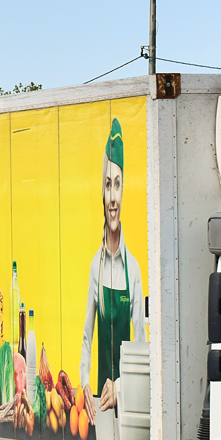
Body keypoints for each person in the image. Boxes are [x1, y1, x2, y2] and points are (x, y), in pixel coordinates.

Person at [80, 118, 146, 424]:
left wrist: (120, 386)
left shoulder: (133, 268)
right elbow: (87, 337)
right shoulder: (96, 264)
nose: (113, 197)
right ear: (101, 193)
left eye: (117, 184)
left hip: (127, 398)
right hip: (97, 405)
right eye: (108, 185)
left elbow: (141, 344)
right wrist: (84, 385)